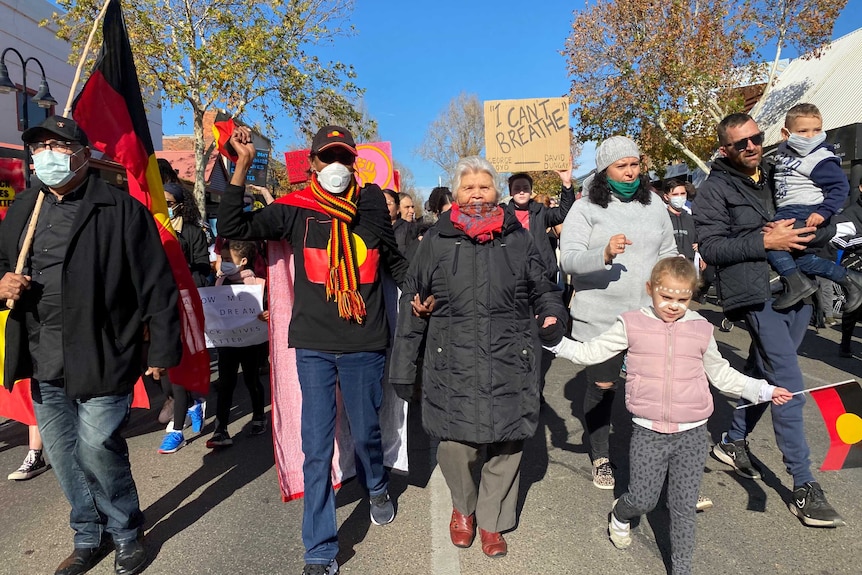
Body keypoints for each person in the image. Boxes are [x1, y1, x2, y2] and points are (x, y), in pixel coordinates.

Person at [217, 124, 430, 575]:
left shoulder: (371, 203)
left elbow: (392, 260)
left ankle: (375, 484)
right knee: (317, 446)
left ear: (355, 163)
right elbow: (233, 225)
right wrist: (239, 166)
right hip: (313, 346)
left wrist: (421, 290)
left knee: (367, 429)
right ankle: (319, 549)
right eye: (326, 157)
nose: (335, 166)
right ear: (312, 163)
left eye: (343, 158)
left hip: (365, 343)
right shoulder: (294, 209)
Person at [0, 115, 181, 575]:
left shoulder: (120, 210)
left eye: (57, 146)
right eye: (39, 147)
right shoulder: (24, 208)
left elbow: (156, 288)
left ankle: (125, 531)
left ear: (81, 153)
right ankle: (88, 534)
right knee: (61, 453)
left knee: (97, 445)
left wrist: (161, 353)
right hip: (43, 353)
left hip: (104, 350)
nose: (47, 155)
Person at [544, 257, 791, 575]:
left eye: (683, 299)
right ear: (650, 290)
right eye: (666, 297)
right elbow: (589, 352)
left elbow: (723, 376)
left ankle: (682, 568)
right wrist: (555, 343)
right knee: (642, 499)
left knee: (684, 507)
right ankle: (620, 514)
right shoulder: (632, 323)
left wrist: (766, 391)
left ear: (692, 296)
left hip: (692, 434)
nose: (674, 306)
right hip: (649, 432)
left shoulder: (701, 329)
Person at [390, 156, 568, 558]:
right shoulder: (436, 239)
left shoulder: (516, 236)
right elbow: (412, 299)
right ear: (455, 194)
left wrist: (553, 312)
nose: (476, 192)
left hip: (510, 356)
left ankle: (492, 521)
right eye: (468, 186)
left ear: (497, 192)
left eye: (483, 186)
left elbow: (544, 285)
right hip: (452, 360)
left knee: (508, 444)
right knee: (457, 446)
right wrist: (405, 365)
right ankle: (463, 507)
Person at [692, 112, 845, 527]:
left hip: (798, 286)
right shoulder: (714, 189)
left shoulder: (783, 171)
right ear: (725, 148)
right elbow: (712, 248)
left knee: (765, 367)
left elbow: (823, 216)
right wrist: (765, 240)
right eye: (741, 143)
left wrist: (817, 228)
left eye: (756, 138)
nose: (752, 146)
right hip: (753, 292)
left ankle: (732, 439)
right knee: (788, 377)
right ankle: (803, 482)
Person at [559, 136, 677, 490]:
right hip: (602, 319)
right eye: (621, 166)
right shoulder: (584, 208)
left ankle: (656, 457)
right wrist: (604, 253)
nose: (630, 173)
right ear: (603, 171)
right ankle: (600, 454)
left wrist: (676, 278)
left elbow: (669, 250)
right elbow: (569, 258)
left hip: (648, 315)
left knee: (653, 388)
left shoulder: (654, 203)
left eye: (634, 165)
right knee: (604, 385)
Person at [767, 103, 862, 311]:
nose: (811, 136)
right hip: (788, 209)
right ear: (786, 133)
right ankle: (851, 282)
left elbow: (840, 186)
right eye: (803, 131)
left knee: (771, 241)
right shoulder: (785, 152)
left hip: (803, 210)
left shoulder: (820, 158)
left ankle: (794, 282)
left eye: (817, 130)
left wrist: (823, 212)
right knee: (804, 261)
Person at [155, 181, 209, 454]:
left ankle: (177, 431)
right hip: (160, 303)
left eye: (169, 200)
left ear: (179, 203)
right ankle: (191, 403)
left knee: (178, 366)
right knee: (165, 372)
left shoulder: (191, 232)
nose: (165, 205)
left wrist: (180, 269)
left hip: (185, 304)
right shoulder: (152, 231)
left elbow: (202, 268)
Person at [206, 239, 269, 447]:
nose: (222, 263)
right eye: (222, 259)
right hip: (227, 344)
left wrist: (265, 315)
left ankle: (259, 417)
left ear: (243, 260)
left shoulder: (258, 284)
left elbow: (267, 309)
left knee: (252, 380)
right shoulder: (219, 283)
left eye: (227, 259)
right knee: (226, 384)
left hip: (251, 343)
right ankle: (221, 428)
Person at [503, 170, 575, 283]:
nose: (521, 192)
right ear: (510, 191)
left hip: (542, 275)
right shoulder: (502, 215)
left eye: (525, 188)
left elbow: (564, 212)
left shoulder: (541, 211)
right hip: (514, 277)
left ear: (531, 191)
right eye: (517, 188)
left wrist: (566, 184)